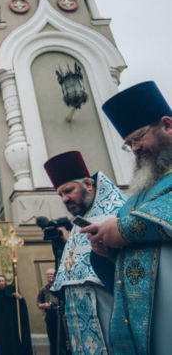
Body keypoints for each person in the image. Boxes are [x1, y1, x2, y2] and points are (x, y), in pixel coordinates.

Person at [82, 81, 172, 354]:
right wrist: (107, 248)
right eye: (128, 144)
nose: (134, 149)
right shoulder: (137, 197)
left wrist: (122, 229)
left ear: (168, 125)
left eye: (138, 138)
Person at [44, 150, 126, 355]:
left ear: (88, 184)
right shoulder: (79, 221)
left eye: (69, 190)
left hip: (111, 312)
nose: (64, 199)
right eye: (61, 194)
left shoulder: (118, 212)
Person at [0, 275, 32, 355]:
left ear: (5, 282)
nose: (1, 283)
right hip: (2, 324)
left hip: (12, 322)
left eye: (2, 281)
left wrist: (20, 299)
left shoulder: (11, 292)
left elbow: (20, 306)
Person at [36, 268, 66, 355]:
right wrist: (45, 305)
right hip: (50, 316)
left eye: (51, 274)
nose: (50, 276)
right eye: (48, 275)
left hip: (61, 316)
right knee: (52, 340)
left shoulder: (60, 287)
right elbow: (38, 303)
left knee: (62, 339)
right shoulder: (43, 289)